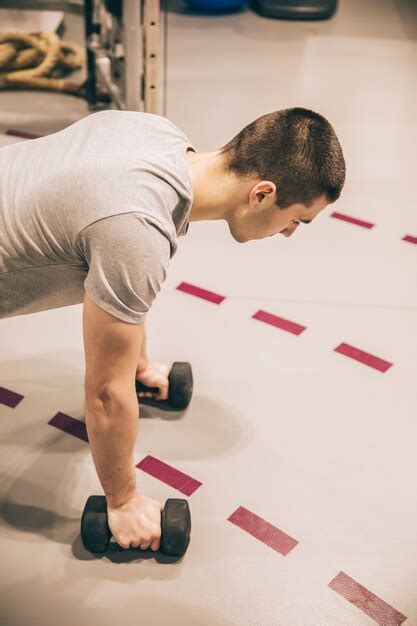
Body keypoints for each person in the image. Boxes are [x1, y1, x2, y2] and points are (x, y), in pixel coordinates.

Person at [0, 107, 346, 552]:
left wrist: (137, 366)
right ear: (261, 195)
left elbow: (119, 295)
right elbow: (106, 393)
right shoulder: (136, 228)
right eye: (296, 218)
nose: (290, 233)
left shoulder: (154, 134)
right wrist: (123, 503)